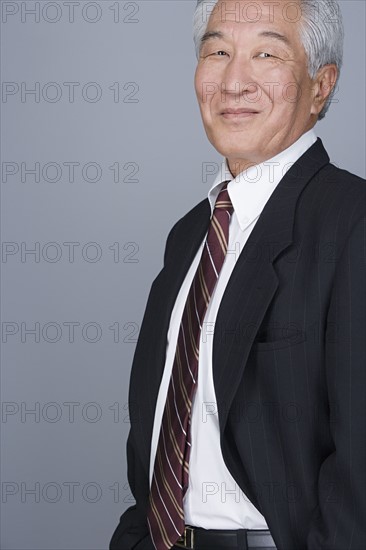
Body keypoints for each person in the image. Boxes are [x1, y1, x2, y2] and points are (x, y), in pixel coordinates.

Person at [109, 0, 366, 548]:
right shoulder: (190, 236)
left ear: (321, 85)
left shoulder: (353, 223)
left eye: (267, 53)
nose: (234, 81)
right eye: (218, 51)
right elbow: (154, 440)